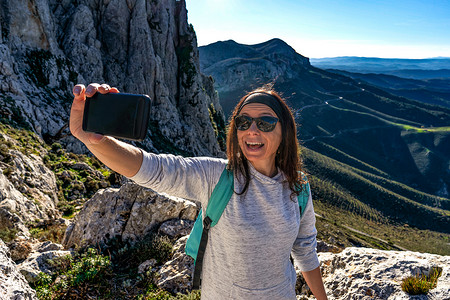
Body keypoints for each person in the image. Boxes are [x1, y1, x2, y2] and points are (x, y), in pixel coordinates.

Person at [70, 83, 328, 300]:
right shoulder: (216, 177)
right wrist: (93, 141)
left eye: (266, 123)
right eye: (243, 121)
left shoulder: (298, 186)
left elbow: (305, 249)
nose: (252, 130)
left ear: (285, 131)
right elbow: (152, 168)